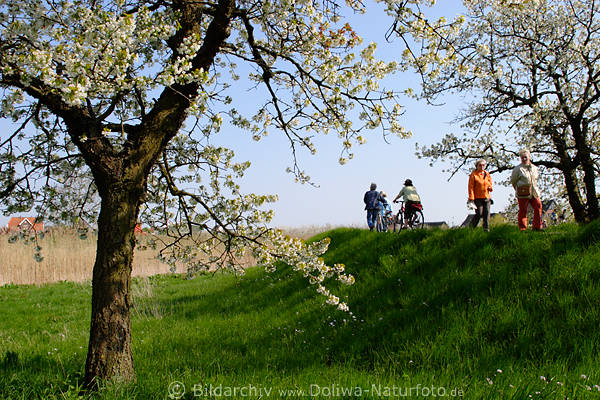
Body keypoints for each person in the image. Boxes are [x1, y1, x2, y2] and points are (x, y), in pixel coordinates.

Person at [510, 149, 542, 231]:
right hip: (523, 192)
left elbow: (536, 179)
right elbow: (514, 181)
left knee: (538, 206)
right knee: (523, 210)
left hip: (534, 191)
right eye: (522, 158)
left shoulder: (534, 168)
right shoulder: (518, 169)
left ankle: (537, 227)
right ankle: (522, 228)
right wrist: (518, 189)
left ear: (529, 157)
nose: (524, 159)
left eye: (525, 157)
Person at [467, 159, 493, 232]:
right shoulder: (473, 175)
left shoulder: (487, 174)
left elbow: (490, 183)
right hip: (478, 197)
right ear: (476, 166)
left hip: (486, 197)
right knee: (479, 213)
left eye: (483, 165)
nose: (482, 167)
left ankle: (486, 229)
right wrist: (471, 198)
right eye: (480, 165)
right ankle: (471, 227)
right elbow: (470, 187)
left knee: (487, 213)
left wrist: (490, 187)